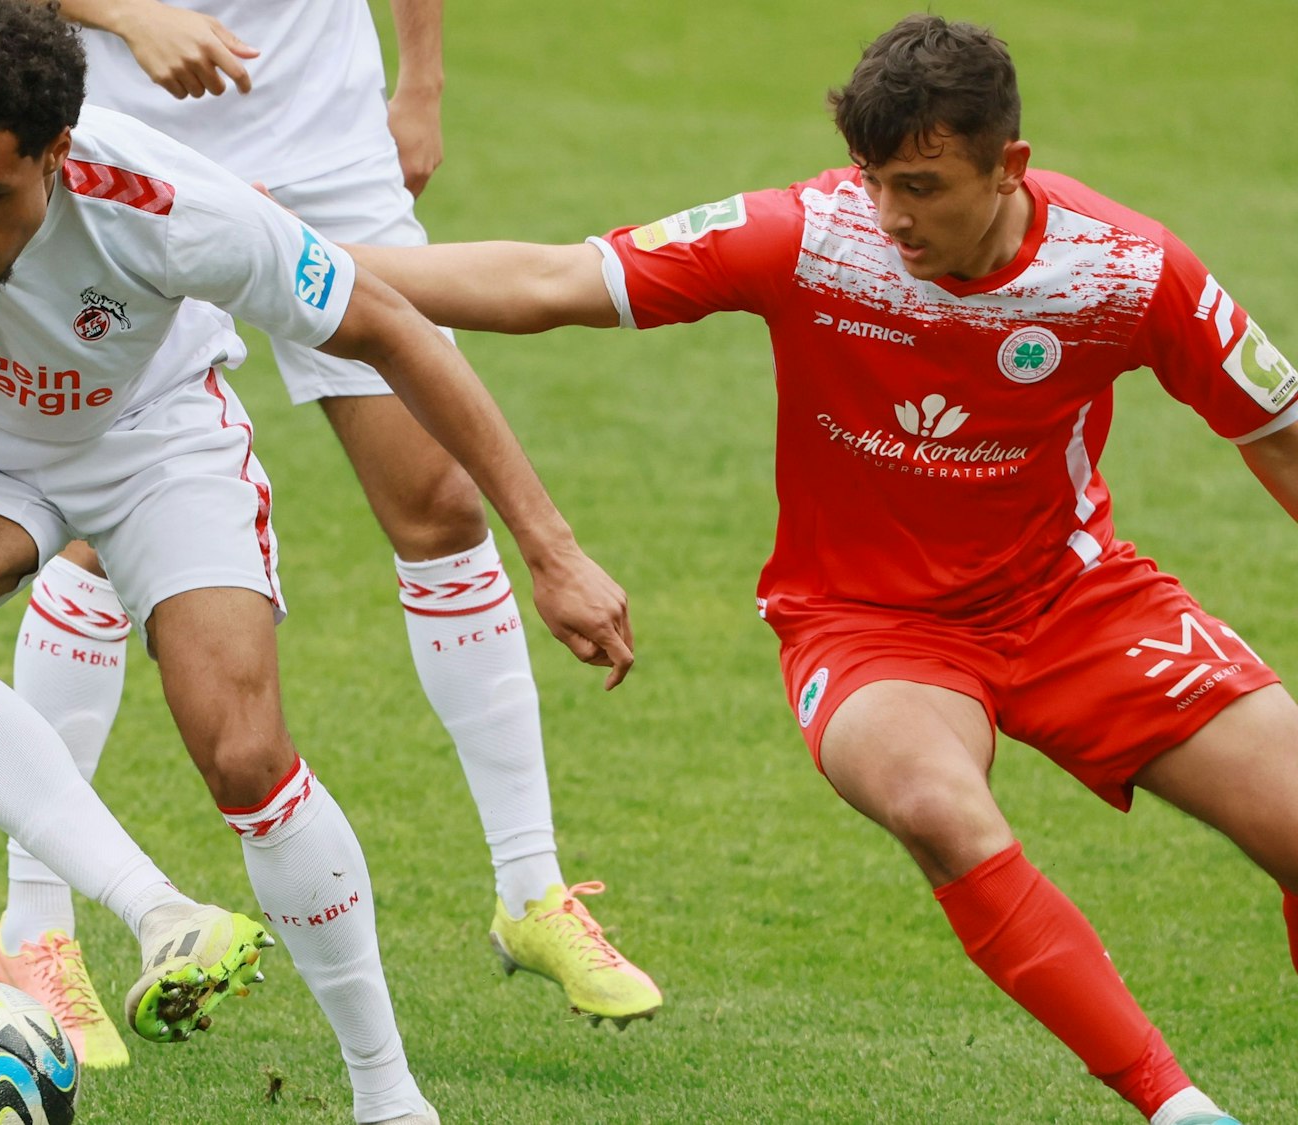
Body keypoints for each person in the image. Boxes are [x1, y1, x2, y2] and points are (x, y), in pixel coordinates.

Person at [342, 14, 1298, 1124]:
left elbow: (1274, 435)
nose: (891, 217)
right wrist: (284, 262)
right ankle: (1177, 1108)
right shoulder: (813, 235)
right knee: (935, 804)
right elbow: (549, 279)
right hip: (866, 629)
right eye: (873, 179)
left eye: (923, 186)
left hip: (1071, 600)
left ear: (1009, 168)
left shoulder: (1125, 270)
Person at [0, 1, 634, 1120]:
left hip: (157, 437)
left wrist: (549, 548)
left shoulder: (173, 205)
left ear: (57, 156)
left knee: (244, 752)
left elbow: (392, 328)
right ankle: (156, 913)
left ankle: (386, 1095)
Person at [0, 0, 662, 1067]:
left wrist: (419, 80)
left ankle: (530, 891)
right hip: (123, 153)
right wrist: (124, 16)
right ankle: (35, 931)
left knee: (436, 501)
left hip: (324, 138)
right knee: (102, 530)